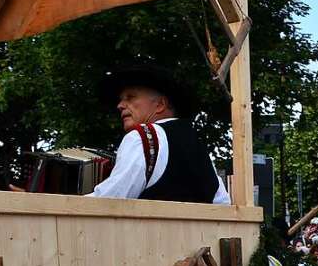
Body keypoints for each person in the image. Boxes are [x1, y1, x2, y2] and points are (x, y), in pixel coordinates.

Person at [92, 65, 229, 203]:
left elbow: (109, 200)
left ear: (160, 105)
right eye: (121, 99)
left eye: (130, 97)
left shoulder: (142, 137)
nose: (120, 105)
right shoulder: (199, 148)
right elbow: (223, 203)